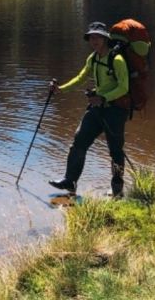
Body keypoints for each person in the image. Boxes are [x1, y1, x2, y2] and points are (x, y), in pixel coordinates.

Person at [47, 21, 130, 198]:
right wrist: (60, 89)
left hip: (115, 110)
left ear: (105, 38)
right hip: (96, 108)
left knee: (115, 150)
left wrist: (104, 98)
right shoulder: (92, 58)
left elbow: (124, 88)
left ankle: (117, 190)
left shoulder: (117, 60)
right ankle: (70, 181)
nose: (94, 40)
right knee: (79, 142)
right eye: (91, 37)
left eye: (98, 37)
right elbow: (80, 78)